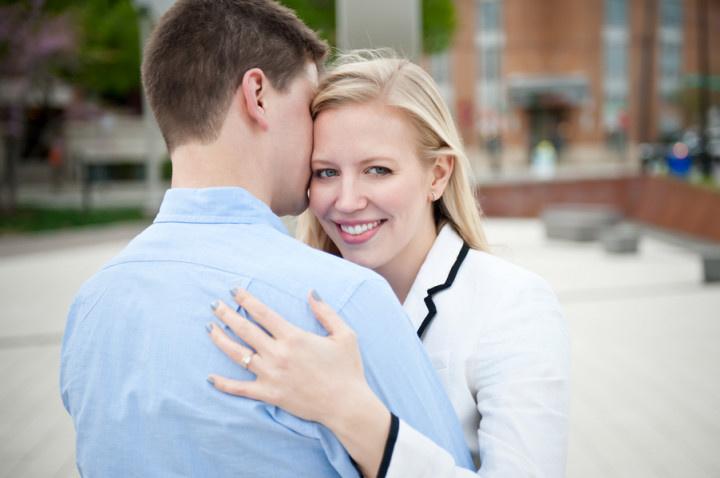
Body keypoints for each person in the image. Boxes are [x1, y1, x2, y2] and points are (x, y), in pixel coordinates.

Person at [59, 2, 473, 476]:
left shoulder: (91, 307)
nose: (319, 132)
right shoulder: (341, 303)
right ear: (257, 94)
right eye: (310, 104)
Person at [207, 52, 570, 477]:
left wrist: (350, 411)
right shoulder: (294, 303)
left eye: (377, 170)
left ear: (437, 175)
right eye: (325, 173)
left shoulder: (512, 305)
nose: (346, 200)